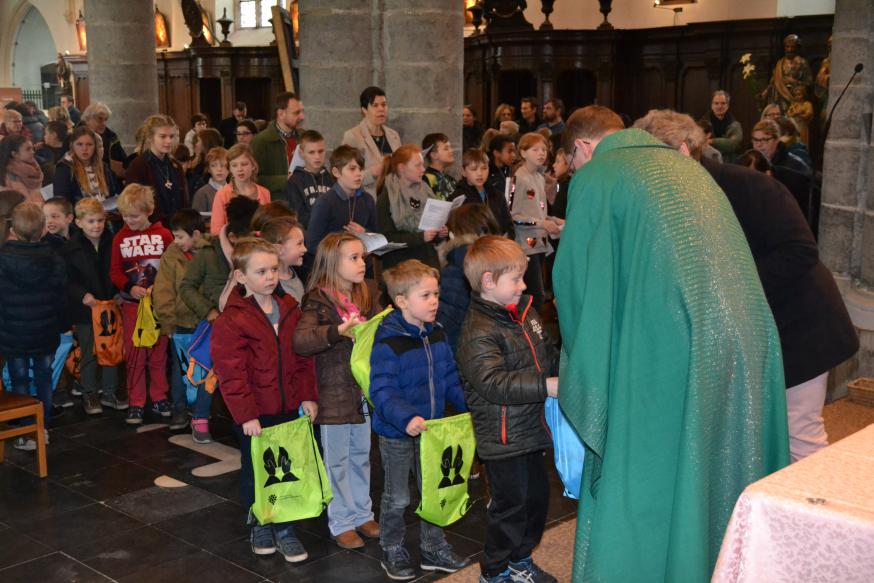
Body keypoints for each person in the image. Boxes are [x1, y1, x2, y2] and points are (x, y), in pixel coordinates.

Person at [553, 105, 790, 582]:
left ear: (581, 147)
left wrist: (590, 371)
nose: (576, 173)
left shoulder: (601, 174)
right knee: (715, 468)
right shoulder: (687, 168)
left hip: (670, 351)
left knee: (646, 474)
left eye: (572, 163)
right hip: (746, 341)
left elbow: (578, 285)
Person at [635, 108, 858, 462]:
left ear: (681, 152)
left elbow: (800, 251)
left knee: (799, 435)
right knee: (756, 437)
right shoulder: (681, 195)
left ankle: (817, 516)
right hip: (759, 329)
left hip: (802, 328)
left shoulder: (749, 185)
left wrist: (730, 281)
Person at [454, 235, 559, 583]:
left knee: (536, 502)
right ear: (488, 281)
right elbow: (493, 383)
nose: (524, 285)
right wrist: (546, 385)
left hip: (530, 430)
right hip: (502, 438)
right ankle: (494, 571)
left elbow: (546, 356)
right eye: (515, 278)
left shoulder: (523, 315)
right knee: (509, 509)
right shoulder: (478, 331)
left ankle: (520, 560)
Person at [211, 237, 318, 562]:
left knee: (289, 468)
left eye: (273, 269)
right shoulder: (233, 318)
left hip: (289, 409)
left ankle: (285, 527)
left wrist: (309, 397)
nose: (270, 277)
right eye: (261, 271)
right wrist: (246, 415)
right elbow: (232, 373)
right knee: (258, 471)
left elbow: (303, 359)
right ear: (241, 277)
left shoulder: (289, 308)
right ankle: (259, 520)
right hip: (257, 414)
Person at [369, 260, 472, 579]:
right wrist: (406, 417)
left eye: (436, 294)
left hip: (433, 431)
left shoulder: (437, 333)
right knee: (397, 495)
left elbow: (449, 377)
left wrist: (469, 404)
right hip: (398, 432)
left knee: (433, 490)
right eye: (426, 295)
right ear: (401, 301)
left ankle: (433, 547)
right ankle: (392, 546)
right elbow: (382, 389)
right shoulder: (388, 339)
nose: (434, 301)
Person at [293, 232, 382, 550]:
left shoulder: (367, 293)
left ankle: (362, 512)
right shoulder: (317, 300)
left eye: (363, 257)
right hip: (333, 393)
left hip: (360, 391)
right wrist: (337, 331)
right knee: (337, 461)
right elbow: (301, 341)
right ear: (332, 263)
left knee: (361, 456)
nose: (362, 263)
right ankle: (341, 520)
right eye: (354, 258)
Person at [0, 202, 67, 449]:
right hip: (45, 331)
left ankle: (23, 430)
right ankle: (42, 428)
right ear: (41, 231)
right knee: (44, 380)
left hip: (12, 333)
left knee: (18, 381)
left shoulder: (3, 259)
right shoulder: (54, 258)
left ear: (13, 231)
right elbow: (61, 297)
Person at [110, 184, 175, 425]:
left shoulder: (165, 236)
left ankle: (159, 396)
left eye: (135, 215)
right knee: (135, 354)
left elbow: (171, 268)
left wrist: (161, 288)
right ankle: (136, 401)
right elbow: (115, 272)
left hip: (159, 305)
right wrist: (130, 288)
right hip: (132, 305)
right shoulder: (119, 238)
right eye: (126, 216)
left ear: (149, 211)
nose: (130, 220)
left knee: (158, 353)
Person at [61, 197, 124, 414]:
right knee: (88, 352)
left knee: (111, 349)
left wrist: (118, 292)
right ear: (78, 223)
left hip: (109, 306)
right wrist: (82, 295)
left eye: (99, 221)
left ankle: (109, 392)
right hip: (85, 309)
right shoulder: (70, 248)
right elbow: (66, 279)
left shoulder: (113, 241)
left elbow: (117, 270)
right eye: (90, 221)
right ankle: (89, 394)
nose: (96, 226)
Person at [153, 209, 212, 436]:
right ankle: (180, 408)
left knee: (205, 369)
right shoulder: (171, 256)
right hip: (180, 322)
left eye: (179, 237)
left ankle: (200, 412)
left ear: (195, 234)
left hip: (204, 322)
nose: (176, 242)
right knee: (181, 368)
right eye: (174, 236)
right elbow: (163, 290)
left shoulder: (209, 253)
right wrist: (167, 321)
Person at [180, 196, 260, 327]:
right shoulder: (209, 252)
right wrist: (208, 311)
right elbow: (186, 287)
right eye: (249, 240)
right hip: (219, 322)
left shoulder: (260, 252)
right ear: (232, 237)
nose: (253, 244)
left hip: (251, 321)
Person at [437, 203, 502, 350]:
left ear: (455, 233)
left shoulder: (456, 264)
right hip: (493, 341)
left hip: (463, 347)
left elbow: (448, 316)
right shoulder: (500, 259)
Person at [510, 133, 562, 311]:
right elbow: (514, 216)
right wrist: (542, 223)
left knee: (539, 295)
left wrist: (553, 220)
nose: (541, 153)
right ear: (523, 153)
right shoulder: (518, 178)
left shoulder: (539, 178)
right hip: (526, 245)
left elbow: (540, 211)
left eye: (544, 150)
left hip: (541, 244)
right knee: (535, 295)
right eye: (535, 149)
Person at [305, 145, 378, 270]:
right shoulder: (325, 202)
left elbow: (378, 236)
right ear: (336, 172)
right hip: (332, 270)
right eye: (352, 169)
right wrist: (342, 248)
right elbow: (312, 244)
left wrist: (364, 234)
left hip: (363, 267)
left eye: (360, 169)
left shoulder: (367, 200)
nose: (358, 174)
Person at [377, 144, 445, 271]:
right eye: (418, 165)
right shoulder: (386, 198)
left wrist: (439, 233)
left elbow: (430, 232)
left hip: (427, 262)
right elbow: (386, 240)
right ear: (402, 168)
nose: (423, 169)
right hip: (400, 266)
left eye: (422, 164)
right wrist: (420, 237)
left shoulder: (425, 191)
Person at [124, 114, 187, 226]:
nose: (168, 141)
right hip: (151, 229)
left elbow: (183, 201)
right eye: (163, 136)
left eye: (171, 136)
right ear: (150, 137)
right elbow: (134, 204)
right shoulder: (138, 166)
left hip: (177, 228)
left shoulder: (175, 166)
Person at [342, 86, 402, 196]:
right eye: (375, 105)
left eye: (384, 105)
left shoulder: (394, 135)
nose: (381, 109)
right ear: (364, 110)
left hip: (394, 197)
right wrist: (372, 173)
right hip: (368, 199)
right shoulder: (352, 136)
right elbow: (346, 177)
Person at [251, 92, 305, 199]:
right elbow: (254, 178)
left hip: (302, 202)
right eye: (296, 113)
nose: (302, 116)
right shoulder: (262, 141)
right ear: (281, 114)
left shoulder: (304, 137)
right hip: (276, 205)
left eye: (302, 112)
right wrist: (286, 180)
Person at [450, 149, 514, 239]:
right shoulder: (458, 197)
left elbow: (508, 226)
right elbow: (455, 229)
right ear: (463, 172)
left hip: (497, 246)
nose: (480, 173)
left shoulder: (497, 195)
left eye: (484, 168)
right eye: (473, 169)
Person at [210, 144, 271, 235]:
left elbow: (268, 226)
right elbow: (216, 231)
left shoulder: (265, 192)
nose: (239, 169)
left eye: (244, 164)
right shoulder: (222, 194)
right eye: (234, 165)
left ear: (253, 166)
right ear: (229, 169)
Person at [282, 129, 334, 228]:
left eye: (321, 151)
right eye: (311, 152)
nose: (317, 157)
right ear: (301, 153)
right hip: (307, 235)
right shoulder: (294, 181)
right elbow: (298, 215)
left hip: (331, 234)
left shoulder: (332, 179)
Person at [54, 126, 120, 204]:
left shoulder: (103, 166)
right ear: (72, 146)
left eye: (89, 144)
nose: (84, 148)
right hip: (80, 214)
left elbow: (114, 193)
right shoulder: (64, 168)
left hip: (106, 212)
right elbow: (63, 202)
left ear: (95, 147)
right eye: (79, 144)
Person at [260, 216, 307, 302]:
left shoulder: (302, 273)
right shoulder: (270, 287)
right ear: (279, 249)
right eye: (299, 244)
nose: (305, 249)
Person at [81, 102, 127, 177]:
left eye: (106, 119)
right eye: (100, 119)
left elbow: (125, 162)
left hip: (111, 180)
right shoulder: (75, 137)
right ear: (87, 119)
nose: (104, 123)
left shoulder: (111, 137)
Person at [0, 135, 43, 204]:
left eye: (32, 148)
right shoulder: (10, 176)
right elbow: (25, 204)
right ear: (14, 154)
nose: (33, 152)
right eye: (28, 149)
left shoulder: (33, 165)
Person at [708, 90, 743, 163]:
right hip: (708, 162)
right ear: (712, 105)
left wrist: (712, 141)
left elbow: (734, 144)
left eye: (723, 103)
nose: (719, 106)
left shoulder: (735, 125)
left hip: (728, 163)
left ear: (727, 106)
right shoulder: (704, 123)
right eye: (716, 103)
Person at [191, 146, 229, 214]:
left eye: (223, 165)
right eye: (213, 165)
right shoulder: (202, 194)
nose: (219, 169)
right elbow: (196, 222)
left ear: (229, 168)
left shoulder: (234, 192)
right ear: (209, 169)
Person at [421, 133, 457, 201]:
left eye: (450, 147)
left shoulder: (452, 180)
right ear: (434, 155)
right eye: (446, 148)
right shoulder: (425, 179)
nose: (451, 150)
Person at [188, 128, 224, 196]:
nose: (195, 144)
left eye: (198, 141)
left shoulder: (215, 167)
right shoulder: (196, 162)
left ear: (207, 143)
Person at [485, 135, 516, 201]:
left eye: (514, 151)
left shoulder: (509, 169)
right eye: (509, 151)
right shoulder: (487, 173)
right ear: (496, 153)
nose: (513, 155)